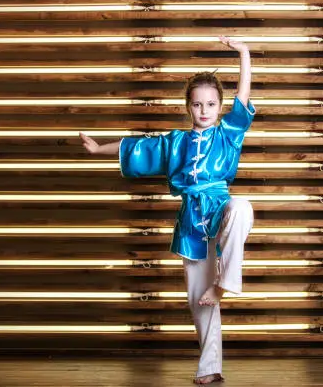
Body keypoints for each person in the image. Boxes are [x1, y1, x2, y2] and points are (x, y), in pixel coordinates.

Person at [79, 35, 255, 384]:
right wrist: (99, 149)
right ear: (188, 106)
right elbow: (135, 147)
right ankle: (210, 371)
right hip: (191, 225)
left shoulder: (229, 134)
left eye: (210, 104)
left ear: (220, 106)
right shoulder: (173, 143)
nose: (204, 110)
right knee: (198, 302)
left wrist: (244, 54)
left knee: (242, 208)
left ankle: (224, 283)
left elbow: (244, 97)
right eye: (197, 104)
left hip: (220, 208)